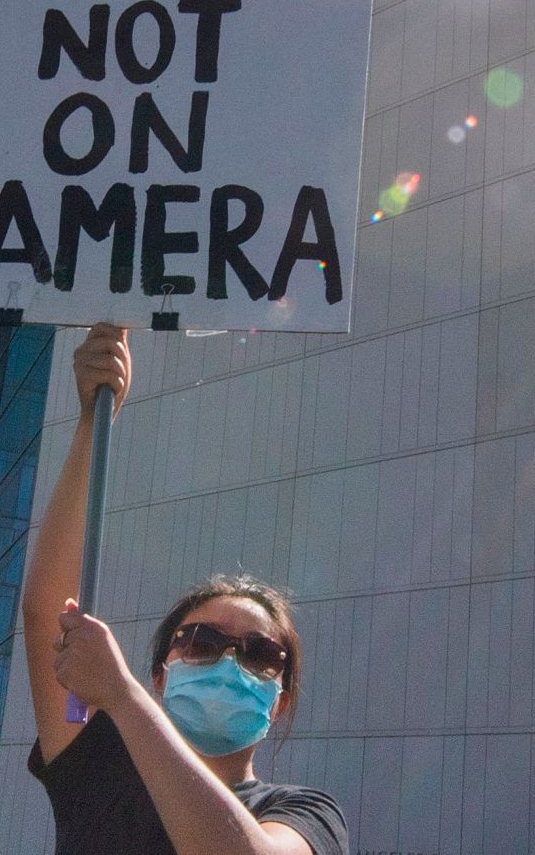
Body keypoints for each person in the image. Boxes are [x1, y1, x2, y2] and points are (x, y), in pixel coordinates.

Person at [21, 323, 348, 855]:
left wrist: (123, 697)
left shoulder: (303, 812)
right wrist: (91, 422)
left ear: (281, 699)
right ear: (160, 674)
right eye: (201, 641)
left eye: (261, 652)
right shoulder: (99, 772)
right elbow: (46, 614)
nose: (228, 662)